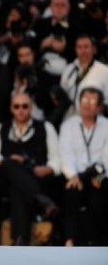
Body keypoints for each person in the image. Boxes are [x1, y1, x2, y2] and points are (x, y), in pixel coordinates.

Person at [0, 92, 61, 245]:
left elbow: (56, 161)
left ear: (31, 108)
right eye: (16, 106)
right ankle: (41, 200)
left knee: (18, 186)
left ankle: (20, 239)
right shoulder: (0, 128)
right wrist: (12, 162)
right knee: (9, 165)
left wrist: (46, 169)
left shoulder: (45, 127)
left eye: (25, 106)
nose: (21, 110)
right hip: (5, 182)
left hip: (37, 176)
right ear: (11, 109)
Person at [59, 87, 108, 246]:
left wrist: (102, 177)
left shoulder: (106, 125)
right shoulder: (69, 125)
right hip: (75, 174)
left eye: (93, 101)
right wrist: (72, 174)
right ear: (79, 103)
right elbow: (65, 152)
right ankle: (69, 240)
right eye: (85, 100)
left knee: (98, 200)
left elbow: (106, 156)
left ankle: (97, 242)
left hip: (98, 174)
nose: (88, 105)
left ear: (100, 107)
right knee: (71, 193)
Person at [60, 34, 108, 120]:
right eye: (79, 47)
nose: (83, 50)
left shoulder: (104, 71)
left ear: (93, 49)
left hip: (96, 120)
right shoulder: (68, 70)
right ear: (75, 50)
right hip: (70, 118)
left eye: (86, 47)